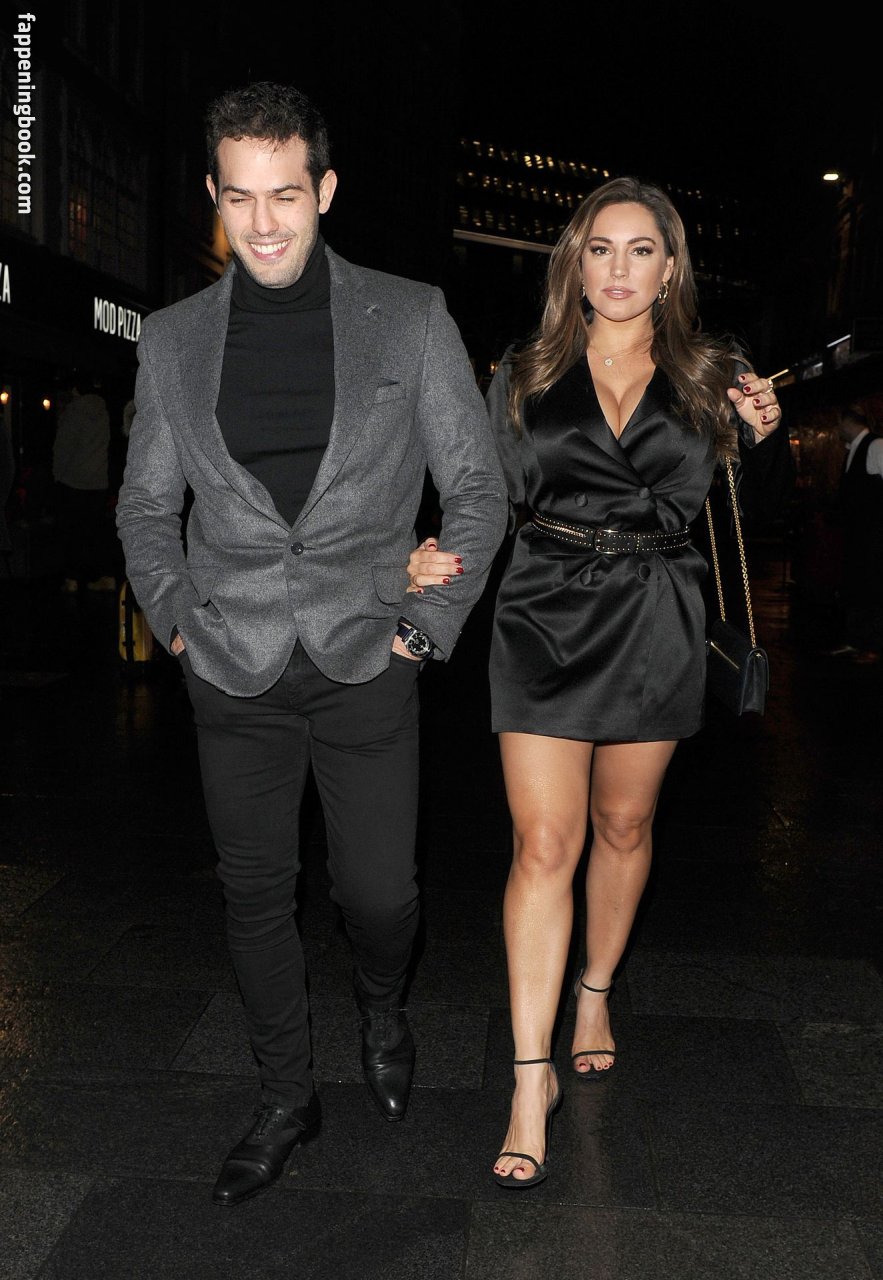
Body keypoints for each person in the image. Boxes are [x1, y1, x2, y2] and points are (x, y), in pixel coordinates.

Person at [115, 81, 508, 1206]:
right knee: (254, 896)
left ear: (324, 190)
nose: (264, 222)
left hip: (368, 656)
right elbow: (146, 505)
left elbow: (476, 491)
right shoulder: (173, 338)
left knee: (380, 896)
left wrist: (422, 631)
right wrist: (177, 623)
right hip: (229, 663)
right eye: (240, 197)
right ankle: (285, 1093)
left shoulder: (410, 315)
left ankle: (381, 1004)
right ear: (214, 195)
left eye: (285, 194)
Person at [407, 176, 792, 1188]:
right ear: (573, 263)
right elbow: (480, 494)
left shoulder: (713, 370)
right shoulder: (525, 366)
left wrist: (765, 440)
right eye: (600, 248)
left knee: (623, 826)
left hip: (658, 609)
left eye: (640, 250)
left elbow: (758, 517)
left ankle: (593, 990)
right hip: (541, 606)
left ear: (669, 268)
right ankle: (527, 1077)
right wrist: (426, 562)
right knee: (543, 843)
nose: (619, 269)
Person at [827, 405, 883, 662]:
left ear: (847, 422)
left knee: (873, 588)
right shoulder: (854, 449)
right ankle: (855, 641)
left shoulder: (876, 445)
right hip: (858, 535)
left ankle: (873, 646)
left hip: (874, 535)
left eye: (838, 423)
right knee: (856, 586)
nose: (837, 429)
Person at [52, 371, 115, 593]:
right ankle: (104, 576)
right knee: (95, 532)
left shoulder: (74, 411)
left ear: (75, 389)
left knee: (73, 532)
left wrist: (57, 475)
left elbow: (63, 447)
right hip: (98, 481)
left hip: (74, 480)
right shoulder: (104, 411)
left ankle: (72, 579)